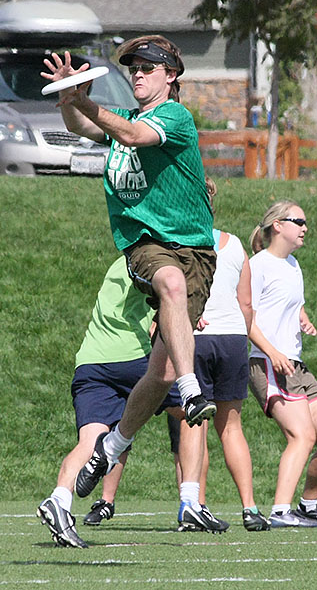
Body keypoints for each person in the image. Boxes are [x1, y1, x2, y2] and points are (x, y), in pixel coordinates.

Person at [42, 34, 217, 500]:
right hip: (148, 245)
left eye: (148, 67)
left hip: (196, 249)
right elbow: (82, 125)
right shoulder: (127, 120)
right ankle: (192, 387)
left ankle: (112, 445)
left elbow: (133, 135)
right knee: (170, 283)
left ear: (171, 75)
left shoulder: (174, 117)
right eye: (132, 68)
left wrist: (86, 100)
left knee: (157, 374)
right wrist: (68, 97)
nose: (137, 74)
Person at [82, 217, 270, 533]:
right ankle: (247, 508)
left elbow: (166, 298)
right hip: (234, 337)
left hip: (194, 335)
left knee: (191, 419)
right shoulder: (234, 244)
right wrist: (242, 335)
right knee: (229, 426)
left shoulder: (170, 242)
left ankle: (191, 503)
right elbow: (246, 304)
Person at [37, 256, 195, 548]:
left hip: (89, 362)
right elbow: (169, 304)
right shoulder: (151, 264)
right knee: (192, 412)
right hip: (129, 356)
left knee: (89, 442)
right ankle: (192, 501)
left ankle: (59, 500)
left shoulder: (118, 264)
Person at [247, 201, 317, 529]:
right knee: (302, 436)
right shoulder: (258, 265)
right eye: (298, 221)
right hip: (267, 362)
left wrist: (303, 318)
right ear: (277, 225)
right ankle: (279, 512)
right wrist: (272, 351)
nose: (304, 227)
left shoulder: (292, 264)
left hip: (296, 364)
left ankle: (308, 506)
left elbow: (292, 301)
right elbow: (245, 317)